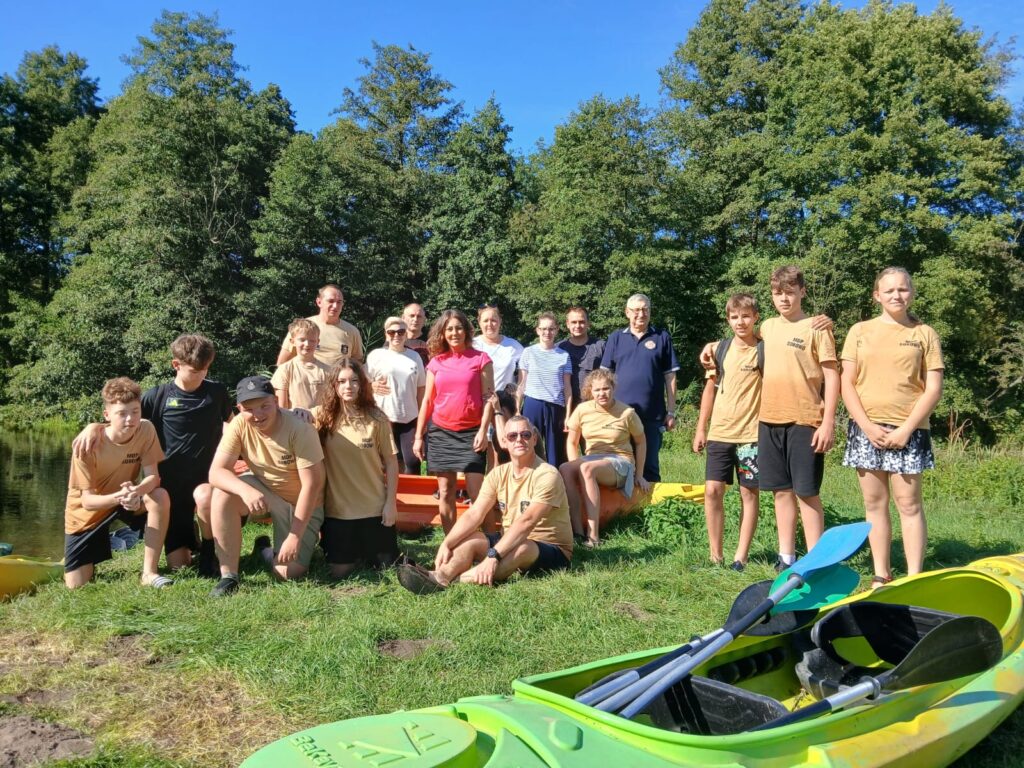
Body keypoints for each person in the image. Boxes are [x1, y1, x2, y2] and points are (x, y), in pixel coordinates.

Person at [72, 334, 232, 576]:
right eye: (194, 370)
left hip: (205, 482)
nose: (202, 375)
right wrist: (93, 426)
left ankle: (209, 553)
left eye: (206, 369)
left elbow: (235, 425)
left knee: (206, 499)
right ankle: (191, 545)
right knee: (179, 565)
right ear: (176, 365)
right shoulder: (157, 396)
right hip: (172, 490)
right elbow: (125, 419)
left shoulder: (217, 392)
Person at [841, 267, 943, 587]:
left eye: (903, 289)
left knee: (909, 504)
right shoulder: (859, 331)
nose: (896, 296)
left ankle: (914, 577)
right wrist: (867, 426)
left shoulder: (925, 334)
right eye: (889, 291)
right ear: (877, 296)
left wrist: (906, 430)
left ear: (912, 293)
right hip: (865, 429)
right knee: (874, 504)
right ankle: (881, 573)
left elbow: (933, 388)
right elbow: (847, 383)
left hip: (910, 431)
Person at [396, 415, 572, 593]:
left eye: (525, 435)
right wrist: (447, 543)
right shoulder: (498, 474)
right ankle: (440, 576)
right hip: (510, 539)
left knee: (523, 547)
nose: (519, 439)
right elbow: (475, 513)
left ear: (534, 439)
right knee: (471, 539)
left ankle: (458, 581)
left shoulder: (548, 474)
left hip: (551, 548)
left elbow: (527, 522)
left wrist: (493, 555)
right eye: (513, 436)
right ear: (504, 441)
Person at [207, 375, 325, 596]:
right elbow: (216, 472)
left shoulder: (300, 428)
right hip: (265, 491)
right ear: (239, 408)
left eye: (264, 406)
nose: (258, 415)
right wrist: (245, 490)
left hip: (301, 503)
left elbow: (313, 485)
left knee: (287, 573)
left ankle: (265, 550)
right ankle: (229, 576)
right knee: (222, 492)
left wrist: (295, 537)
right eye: (249, 409)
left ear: (276, 401)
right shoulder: (239, 424)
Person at [757, 266, 838, 571]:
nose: (784, 299)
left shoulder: (817, 328)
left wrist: (827, 421)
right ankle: (786, 558)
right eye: (778, 293)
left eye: (790, 292)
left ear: (802, 292)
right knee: (781, 492)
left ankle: (817, 562)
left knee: (806, 492)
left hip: (805, 420)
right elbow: (742, 338)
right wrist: (712, 347)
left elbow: (832, 375)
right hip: (769, 419)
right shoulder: (767, 327)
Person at [63, 377, 172, 589]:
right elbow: (87, 502)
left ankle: (149, 573)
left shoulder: (146, 429)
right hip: (86, 515)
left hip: (125, 501)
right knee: (76, 586)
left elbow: (153, 477)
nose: (130, 419)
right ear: (107, 415)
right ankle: (87, 559)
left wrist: (136, 492)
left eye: (135, 411)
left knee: (160, 496)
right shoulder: (87, 446)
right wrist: (123, 496)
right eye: (122, 413)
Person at [692, 294, 763, 571]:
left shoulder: (764, 350)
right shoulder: (719, 349)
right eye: (734, 317)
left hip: (751, 435)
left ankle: (741, 557)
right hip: (720, 433)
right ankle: (715, 555)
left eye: (746, 316)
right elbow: (710, 389)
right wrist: (701, 428)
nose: (740, 322)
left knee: (749, 493)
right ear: (728, 320)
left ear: (755, 317)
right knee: (712, 491)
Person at [313, 361, 400, 577]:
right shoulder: (322, 416)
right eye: (341, 381)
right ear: (333, 386)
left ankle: (366, 549)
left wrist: (390, 504)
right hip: (339, 511)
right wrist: (298, 413)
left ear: (362, 384)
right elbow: (290, 419)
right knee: (339, 571)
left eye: (353, 381)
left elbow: (391, 462)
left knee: (387, 567)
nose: (348, 386)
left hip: (375, 509)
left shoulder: (377, 418)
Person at [413, 310, 495, 533]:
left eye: (458, 327)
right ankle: (452, 543)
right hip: (440, 432)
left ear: (466, 331)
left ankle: (491, 541)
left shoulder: (481, 359)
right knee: (446, 491)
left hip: (471, 432)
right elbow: (428, 400)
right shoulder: (436, 362)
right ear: (443, 333)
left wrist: (484, 431)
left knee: (477, 492)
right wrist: (419, 437)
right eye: (449, 329)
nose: (454, 332)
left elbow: (490, 398)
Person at [560, 369, 647, 548]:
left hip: (620, 460)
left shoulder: (627, 412)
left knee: (587, 468)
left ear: (613, 388)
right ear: (590, 391)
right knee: (565, 468)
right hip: (593, 459)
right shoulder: (582, 410)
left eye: (606, 389)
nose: (602, 394)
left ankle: (593, 537)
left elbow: (641, 441)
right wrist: (575, 463)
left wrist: (639, 474)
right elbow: (572, 442)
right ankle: (577, 532)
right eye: (597, 390)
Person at [600, 293, 679, 482]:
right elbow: (604, 377)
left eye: (645, 309)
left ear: (650, 312)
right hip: (618, 413)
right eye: (636, 310)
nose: (640, 314)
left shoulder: (662, 337)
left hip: (652, 413)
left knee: (650, 465)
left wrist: (671, 411)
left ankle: (651, 508)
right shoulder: (616, 338)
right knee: (619, 462)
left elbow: (671, 377)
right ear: (627, 313)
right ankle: (623, 509)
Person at [366, 316, 426, 475]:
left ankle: (412, 496)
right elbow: (363, 383)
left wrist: (422, 419)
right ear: (386, 334)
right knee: (386, 460)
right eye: (391, 332)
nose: (396, 336)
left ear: (406, 334)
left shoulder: (414, 357)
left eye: (400, 332)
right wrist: (372, 385)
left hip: (410, 417)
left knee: (412, 460)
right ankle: (387, 497)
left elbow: (421, 389)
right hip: (383, 418)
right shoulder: (376, 356)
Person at [517, 312, 573, 468]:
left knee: (556, 450)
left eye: (551, 329)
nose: (547, 333)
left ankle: (556, 484)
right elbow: (521, 383)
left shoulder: (564, 355)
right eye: (543, 329)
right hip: (533, 404)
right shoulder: (528, 352)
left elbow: (567, 388)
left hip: (555, 406)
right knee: (528, 446)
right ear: (537, 330)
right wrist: (516, 410)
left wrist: (568, 415)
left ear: (556, 330)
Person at [276, 284, 363, 367]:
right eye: (331, 301)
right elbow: (282, 363)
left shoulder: (352, 331)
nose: (335, 306)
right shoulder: (303, 327)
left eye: (339, 302)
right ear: (319, 302)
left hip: (338, 381)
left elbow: (357, 365)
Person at [272, 318, 331, 409]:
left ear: (318, 342)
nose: (307, 344)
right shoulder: (285, 370)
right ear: (292, 341)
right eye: (302, 340)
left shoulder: (328, 370)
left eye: (312, 340)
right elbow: (281, 407)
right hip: (294, 421)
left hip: (322, 421)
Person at [558, 306, 605, 411]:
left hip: (594, 406)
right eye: (574, 322)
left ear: (588, 323)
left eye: (582, 322)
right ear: (567, 324)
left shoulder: (601, 347)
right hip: (563, 407)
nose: (578, 325)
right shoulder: (559, 349)